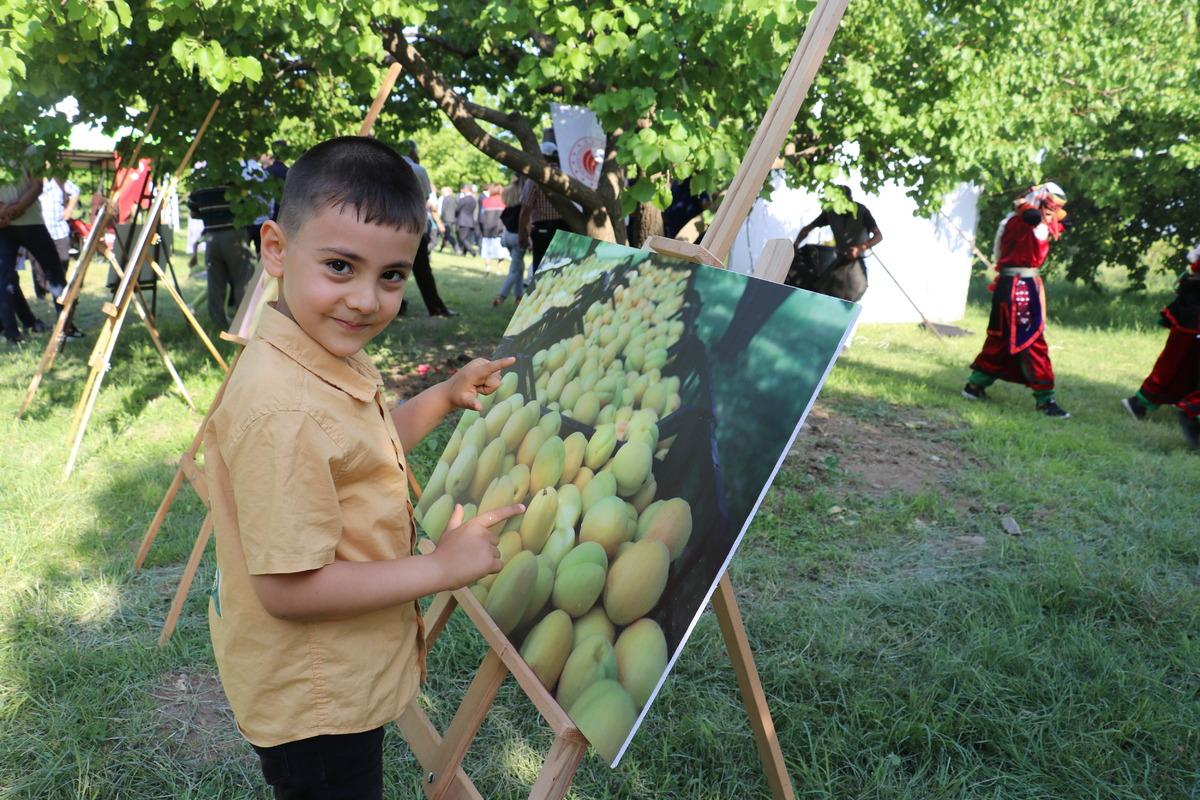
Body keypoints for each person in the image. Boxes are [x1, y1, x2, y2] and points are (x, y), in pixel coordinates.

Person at [204, 136, 524, 799]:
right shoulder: (284, 410)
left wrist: (442, 395)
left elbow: (360, 451)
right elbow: (288, 590)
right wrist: (441, 568)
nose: (365, 300)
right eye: (340, 266)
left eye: (391, 276)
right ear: (276, 250)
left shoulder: (320, 355)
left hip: (335, 680)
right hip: (316, 704)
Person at [962, 182, 1071, 418]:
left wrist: (1055, 223)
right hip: (1020, 289)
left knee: (1000, 340)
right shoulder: (1028, 221)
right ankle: (1045, 400)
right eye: (1050, 208)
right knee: (1031, 341)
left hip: (1009, 285)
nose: (1053, 215)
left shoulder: (1016, 220)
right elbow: (1035, 234)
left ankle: (974, 386)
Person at [1122, 243, 1200, 430]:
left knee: (1180, 363)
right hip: (1193, 312)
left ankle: (1143, 404)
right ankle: (1139, 403)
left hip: (1193, 310)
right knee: (1174, 361)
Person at [0, 163, 72, 345]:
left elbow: (37, 185)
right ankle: (67, 327)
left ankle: (12, 334)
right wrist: (15, 209)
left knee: (5, 279)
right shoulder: (28, 148)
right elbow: (37, 185)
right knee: (54, 273)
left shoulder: (28, 149)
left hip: (9, 222)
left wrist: (6, 211)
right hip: (27, 222)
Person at [791, 184, 882, 302]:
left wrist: (860, 248)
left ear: (849, 199)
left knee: (851, 292)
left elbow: (879, 236)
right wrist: (795, 245)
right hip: (840, 259)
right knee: (820, 289)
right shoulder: (831, 211)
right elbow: (807, 229)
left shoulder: (862, 211)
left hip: (856, 261)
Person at [187, 181, 255, 332]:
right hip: (235, 235)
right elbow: (250, 207)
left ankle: (220, 325)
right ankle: (243, 325)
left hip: (211, 238)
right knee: (243, 280)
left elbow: (193, 212)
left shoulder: (200, 186)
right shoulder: (235, 183)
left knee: (215, 284)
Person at [398, 140, 455, 317]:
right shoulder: (418, 170)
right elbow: (425, 199)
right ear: (413, 153)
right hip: (413, 228)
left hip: (387, 228)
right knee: (423, 271)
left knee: (384, 271)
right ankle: (436, 307)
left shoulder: (385, 168)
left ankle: (397, 306)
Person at [518, 142, 571, 277]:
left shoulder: (536, 178)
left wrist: (522, 234)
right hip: (566, 226)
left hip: (543, 229)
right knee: (562, 268)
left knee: (542, 269)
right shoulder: (567, 176)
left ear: (542, 156)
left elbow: (526, 208)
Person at [494, 174, 527, 306]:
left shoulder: (509, 198)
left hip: (507, 235)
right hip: (518, 236)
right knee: (514, 270)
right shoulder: (523, 197)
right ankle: (501, 296)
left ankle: (518, 296)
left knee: (519, 267)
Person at [478, 183, 506, 273]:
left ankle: (488, 267)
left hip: (487, 229)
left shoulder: (485, 201)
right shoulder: (504, 202)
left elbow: (481, 217)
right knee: (501, 252)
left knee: (487, 250)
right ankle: (499, 270)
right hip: (500, 229)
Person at [454, 183, 479, 257]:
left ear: (467, 189)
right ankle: (463, 253)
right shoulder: (474, 200)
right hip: (470, 221)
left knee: (462, 238)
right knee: (466, 238)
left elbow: (457, 209)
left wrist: (456, 216)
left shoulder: (463, 199)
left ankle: (472, 251)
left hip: (462, 221)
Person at [437, 186, 459, 254]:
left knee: (447, 235)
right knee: (447, 235)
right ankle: (442, 247)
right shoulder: (453, 199)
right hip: (452, 219)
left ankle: (456, 248)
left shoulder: (445, 199)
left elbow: (443, 210)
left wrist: (441, 219)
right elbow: (456, 209)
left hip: (446, 219)